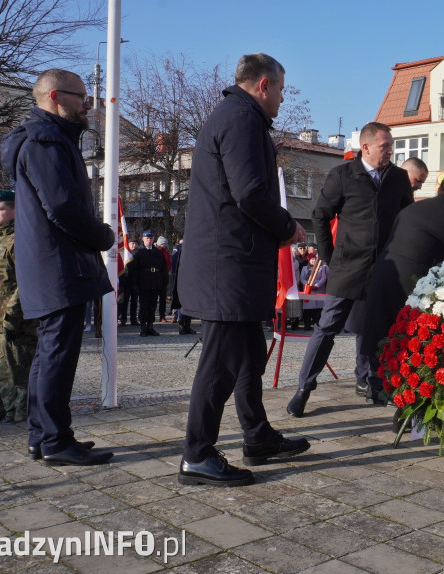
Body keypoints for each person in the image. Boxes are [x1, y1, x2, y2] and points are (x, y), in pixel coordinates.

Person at [177, 53, 309, 486]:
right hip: (226, 265)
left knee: (249, 353)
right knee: (220, 363)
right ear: (265, 85)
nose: (283, 101)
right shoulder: (242, 118)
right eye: (283, 91)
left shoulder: (234, 115)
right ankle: (197, 454)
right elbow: (249, 193)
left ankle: (257, 436)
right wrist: (288, 227)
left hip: (233, 261)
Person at [2, 68, 115, 465]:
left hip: (51, 263)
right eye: (80, 96)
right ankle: (54, 441)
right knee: (57, 354)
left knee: (49, 352)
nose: (87, 104)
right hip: (60, 264)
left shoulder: (41, 137)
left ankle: (44, 435)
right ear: (54, 97)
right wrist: (103, 236)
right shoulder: (47, 139)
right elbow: (63, 206)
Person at [287, 121, 413, 416]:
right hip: (347, 268)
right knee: (327, 327)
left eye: (391, 146)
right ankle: (304, 387)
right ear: (366, 147)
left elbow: (407, 219)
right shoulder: (343, 175)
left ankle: (374, 383)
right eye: (385, 146)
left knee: (377, 328)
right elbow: (320, 215)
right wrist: (330, 258)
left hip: (385, 268)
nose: (390, 151)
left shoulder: (398, 179)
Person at [360, 170, 444, 395]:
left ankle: (376, 385)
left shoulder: (413, 208)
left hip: (383, 274)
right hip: (410, 285)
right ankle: (403, 389)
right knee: (407, 339)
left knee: (379, 330)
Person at [0, 189, 38, 423]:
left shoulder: (21, 239)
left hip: (14, 320)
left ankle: (24, 414)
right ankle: (11, 412)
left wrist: (12, 314)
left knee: (21, 370)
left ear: (16, 209)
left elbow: (27, 281)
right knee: (4, 372)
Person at [132, 231, 167, 337]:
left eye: (151, 238)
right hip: (143, 281)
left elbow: (163, 269)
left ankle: (150, 326)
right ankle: (143, 326)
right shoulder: (138, 252)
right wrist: (135, 283)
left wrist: (164, 282)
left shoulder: (158, 253)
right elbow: (133, 269)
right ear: (143, 239)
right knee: (144, 305)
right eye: (147, 238)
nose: (149, 240)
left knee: (152, 305)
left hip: (155, 281)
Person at [300, 245, 328, 329]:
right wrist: (308, 285)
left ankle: (318, 325)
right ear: (309, 260)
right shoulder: (305, 268)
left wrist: (317, 285)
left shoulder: (321, 267)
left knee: (318, 310)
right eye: (312, 259)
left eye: (315, 259)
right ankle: (307, 325)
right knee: (308, 310)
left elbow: (324, 277)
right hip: (308, 290)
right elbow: (302, 279)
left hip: (319, 289)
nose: (313, 261)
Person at [170, 239, 195, 335]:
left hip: (191, 280)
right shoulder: (179, 250)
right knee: (182, 304)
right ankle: (181, 326)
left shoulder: (193, 250)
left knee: (189, 304)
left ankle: (187, 326)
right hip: (182, 280)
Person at [118, 238, 139, 326]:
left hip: (135, 281)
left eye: (135, 243)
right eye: (132, 243)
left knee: (134, 301)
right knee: (125, 301)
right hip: (126, 281)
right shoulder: (125, 253)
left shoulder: (139, 254)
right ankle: (123, 319)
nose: (134, 245)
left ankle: (133, 319)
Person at [155, 236, 171, 322]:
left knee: (163, 298)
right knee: (154, 298)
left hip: (164, 277)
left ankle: (162, 315)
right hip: (156, 277)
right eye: (164, 243)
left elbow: (168, 264)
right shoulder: (156, 251)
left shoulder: (166, 252)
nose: (165, 245)